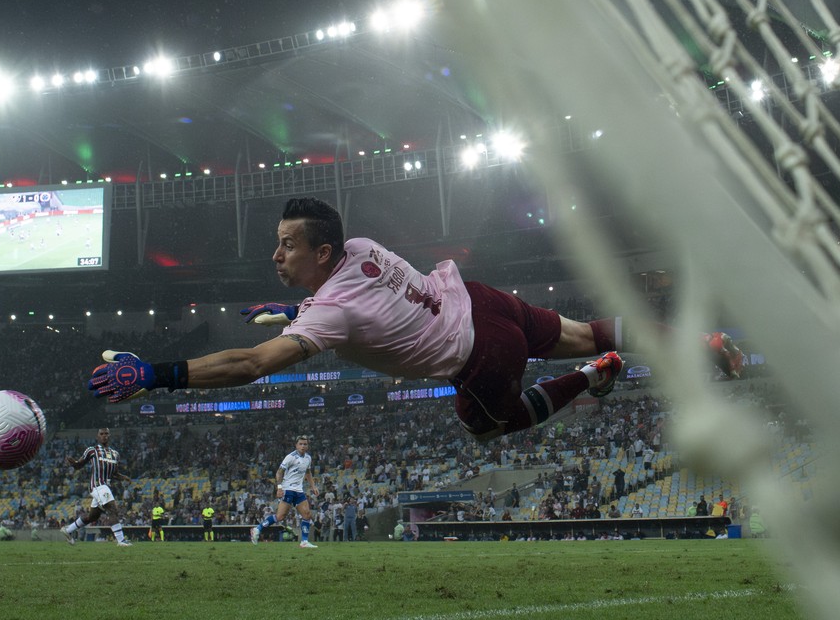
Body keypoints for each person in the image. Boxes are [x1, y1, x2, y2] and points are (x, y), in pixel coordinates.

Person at [88, 197, 744, 444]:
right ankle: (694, 342)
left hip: (479, 356)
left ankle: (592, 381)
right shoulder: (363, 248)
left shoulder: (332, 312)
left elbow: (253, 366)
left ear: (320, 252)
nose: (275, 253)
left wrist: (160, 374)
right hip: (483, 299)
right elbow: (365, 303)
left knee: (493, 428)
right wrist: (291, 308)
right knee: (580, 332)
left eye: (286, 244)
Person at [60, 428, 133, 547]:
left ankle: (68, 530)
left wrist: (124, 477)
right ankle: (121, 540)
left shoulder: (115, 454)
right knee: (112, 508)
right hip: (97, 485)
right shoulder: (92, 450)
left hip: (105, 487)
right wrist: (74, 463)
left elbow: (114, 473)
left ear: (109, 436)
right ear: (97, 437)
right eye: (101, 434)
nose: (104, 436)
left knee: (92, 516)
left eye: (106, 434)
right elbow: (79, 465)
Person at [249, 435, 319, 548]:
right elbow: (279, 472)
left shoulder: (308, 458)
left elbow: (308, 472)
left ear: (307, 446)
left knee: (307, 515)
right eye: (300, 444)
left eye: (305, 444)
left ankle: (304, 541)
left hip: (299, 490)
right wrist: (280, 487)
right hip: (288, 489)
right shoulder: (290, 457)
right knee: (280, 517)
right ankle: (257, 529)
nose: (302, 446)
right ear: (296, 445)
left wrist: (313, 486)